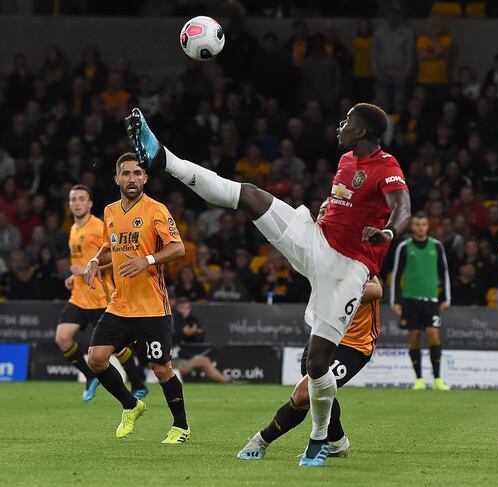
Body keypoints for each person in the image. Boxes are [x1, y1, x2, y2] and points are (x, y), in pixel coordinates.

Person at [126, 102, 410, 467]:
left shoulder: (386, 166)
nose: (340, 125)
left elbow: (403, 208)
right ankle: (162, 157)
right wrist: (326, 209)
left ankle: (321, 437)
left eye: (348, 121)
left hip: (346, 270)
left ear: (364, 132)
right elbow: (343, 203)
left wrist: (388, 230)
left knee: (318, 364)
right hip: (315, 240)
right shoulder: (345, 162)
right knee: (247, 194)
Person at [83, 153, 189, 444]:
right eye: (126, 174)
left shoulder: (156, 209)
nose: (132, 179)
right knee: (96, 359)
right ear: (117, 179)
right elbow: (110, 247)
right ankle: (131, 405)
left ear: (145, 178)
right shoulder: (109, 211)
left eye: (137, 173)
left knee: (161, 368)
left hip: (153, 306)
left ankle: (181, 426)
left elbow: (177, 248)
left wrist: (148, 260)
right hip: (120, 304)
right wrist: (94, 260)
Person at [238, 271, 384, 460]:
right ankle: (337, 442)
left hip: (354, 345)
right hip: (322, 335)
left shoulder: (359, 260)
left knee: (305, 393)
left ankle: (261, 441)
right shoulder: (322, 255)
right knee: (318, 392)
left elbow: (377, 290)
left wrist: (338, 291)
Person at [56, 184, 147, 402]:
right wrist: (75, 275)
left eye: (81, 199)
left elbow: (115, 257)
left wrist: (89, 267)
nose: (77, 203)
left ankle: (138, 383)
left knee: (117, 348)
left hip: (99, 296)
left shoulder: (98, 227)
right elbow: (81, 262)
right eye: (73, 199)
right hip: (78, 296)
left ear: (89, 203)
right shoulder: (73, 229)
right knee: (62, 338)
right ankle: (90, 377)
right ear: (69, 204)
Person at [390, 212, 451, 391]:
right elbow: (396, 275)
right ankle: (419, 379)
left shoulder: (437, 246)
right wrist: (395, 301)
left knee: (433, 334)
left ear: (428, 226)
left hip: (431, 300)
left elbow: (444, 272)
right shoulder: (404, 247)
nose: (420, 228)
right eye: (417, 225)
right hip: (410, 300)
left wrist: (446, 298)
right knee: (414, 338)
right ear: (412, 226)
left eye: (424, 224)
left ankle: (438, 379)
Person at [171, 297, 229, 384]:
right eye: (181, 308)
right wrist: (193, 331)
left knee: (204, 360)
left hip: (180, 355)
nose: (184, 311)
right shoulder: (174, 318)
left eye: (187, 308)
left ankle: (225, 381)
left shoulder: (191, 320)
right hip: (169, 361)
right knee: (204, 361)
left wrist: (195, 332)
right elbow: (186, 332)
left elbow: (196, 336)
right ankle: (226, 381)